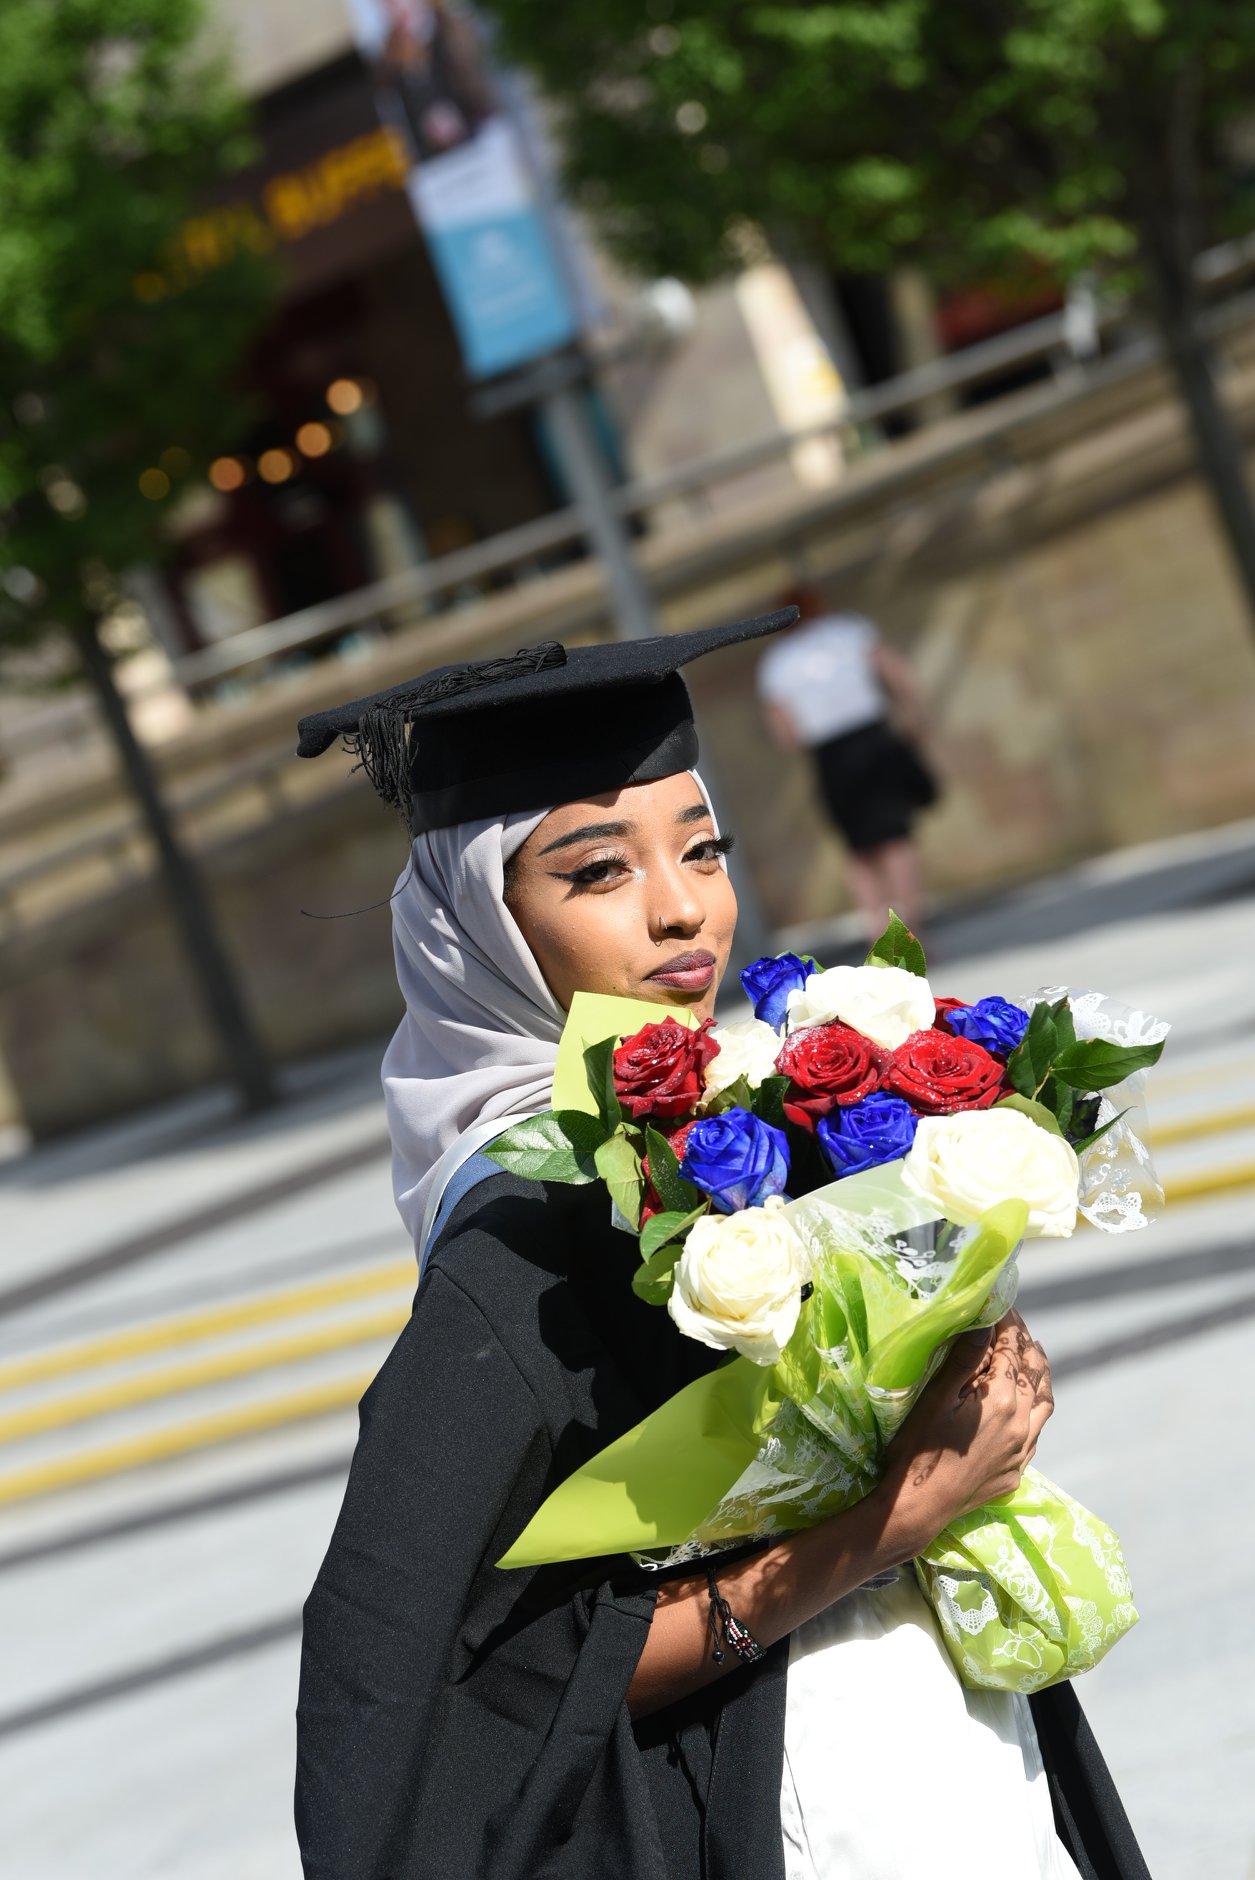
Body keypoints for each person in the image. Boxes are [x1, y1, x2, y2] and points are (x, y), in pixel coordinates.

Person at [292, 611, 1148, 1880]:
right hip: (772, 1809)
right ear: (478, 927)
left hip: (963, 1743)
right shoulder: (520, 1230)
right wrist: (884, 1521)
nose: (681, 908)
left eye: (704, 847)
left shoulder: (754, 1113)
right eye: (596, 872)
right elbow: (471, 1687)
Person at [758, 586, 938, 938]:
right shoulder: (850, 629)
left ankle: (877, 933)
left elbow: (784, 730)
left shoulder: (777, 661)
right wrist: (915, 717)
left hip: (830, 753)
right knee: (896, 839)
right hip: (873, 737)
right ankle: (912, 929)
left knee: (859, 850)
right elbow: (896, 671)